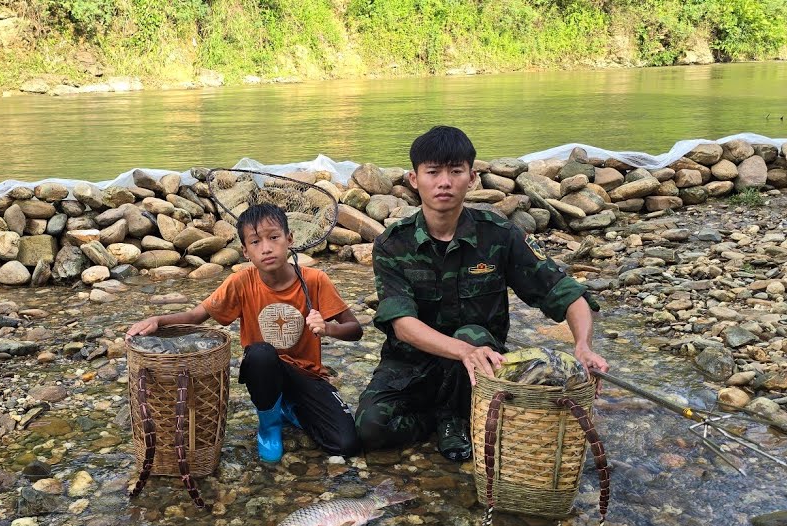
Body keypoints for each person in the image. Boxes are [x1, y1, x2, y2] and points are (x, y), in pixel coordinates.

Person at [355, 125, 609, 461]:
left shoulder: (499, 235)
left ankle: (458, 418)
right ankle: (435, 418)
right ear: (414, 180)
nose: (444, 182)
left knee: (473, 334)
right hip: (411, 364)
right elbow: (402, 324)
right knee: (369, 429)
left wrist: (582, 346)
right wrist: (460, 351)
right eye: (433, 172)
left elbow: (565, 292)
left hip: (480, 368)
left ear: (472, 178)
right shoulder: (392, 244)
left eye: (455, 172)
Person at [127, 203, 363, 462]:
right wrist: (158, 320)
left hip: (306, 373)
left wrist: (328, 328)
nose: (266, 248)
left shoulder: (315, 280)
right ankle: (269, 425)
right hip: (265, 371)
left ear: (289, 239)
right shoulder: (241, 282)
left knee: (345, 444)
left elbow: (355, 330)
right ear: (245, 251)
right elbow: (196, 316)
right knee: (260, 354)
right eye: (255, 241)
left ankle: (290, 408)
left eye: (274, 237)